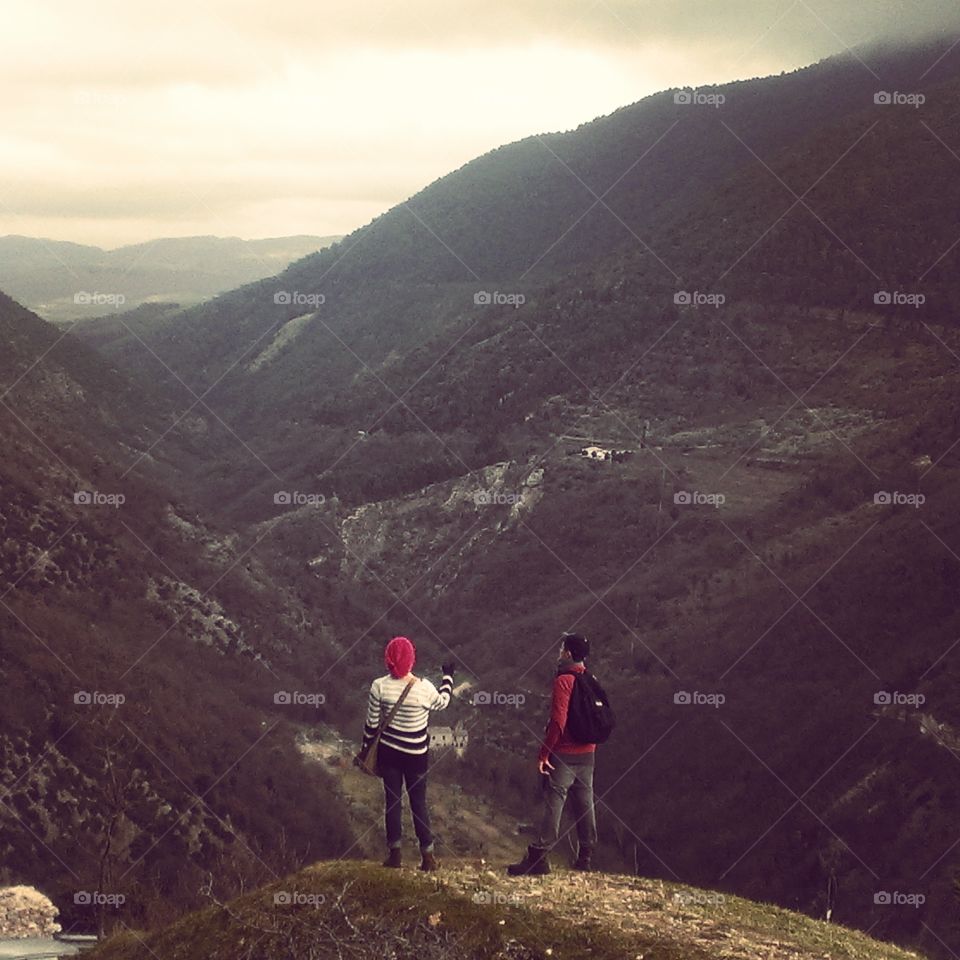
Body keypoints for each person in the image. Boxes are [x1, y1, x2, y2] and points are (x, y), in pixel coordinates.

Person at [360, 635, 455, 871]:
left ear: (388, 659)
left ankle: (394, 856)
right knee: (419, 803)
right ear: (412, 659)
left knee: (392, 803)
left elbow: (371, 725)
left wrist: (365, 749)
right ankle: (428, 857)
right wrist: (448, 677)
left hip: (389, 754)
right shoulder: (424, 688)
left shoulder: (379, 686)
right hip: (416, 756)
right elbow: (443, 701)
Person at [507, 632, 598, 876]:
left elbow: (558, 721)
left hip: (565, 753)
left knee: (554, 802)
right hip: (588, 752)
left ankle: (539, 856)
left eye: (561, 649)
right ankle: (586, 856)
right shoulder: (591, 679)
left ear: (567, 653)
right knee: (585, 801)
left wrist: (544, 753)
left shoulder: (564, 680)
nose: (559, 652)